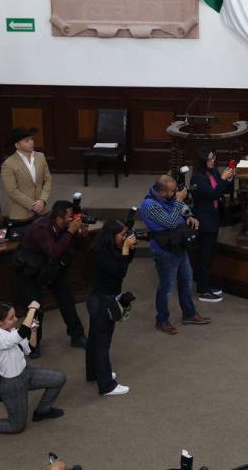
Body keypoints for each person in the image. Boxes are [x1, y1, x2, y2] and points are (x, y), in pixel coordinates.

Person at [0, 300, 67, 433]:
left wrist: (33, 330)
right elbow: (21, 333)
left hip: (26, 373)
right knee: (16, 427)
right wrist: (32, 309)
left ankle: (42, 411)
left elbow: (30, 348)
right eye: (11, 318)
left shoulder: (12, 330)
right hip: (12, 385)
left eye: (15, 316)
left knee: (59, 379)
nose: (15, 320)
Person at [15, 200, 87, 356]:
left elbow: (80, 247)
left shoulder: (66, 226)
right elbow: (53, 252)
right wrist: (70, 232)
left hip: (51, 269)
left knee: (67, 300)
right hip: (30, 270)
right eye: (70, 216)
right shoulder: (41, 227)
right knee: (35, 309)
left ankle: (77, 336)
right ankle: (32, 344)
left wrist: (81, 232)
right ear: (59, 218)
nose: (72, 219)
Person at [140, 174, 210, 333]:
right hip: (164, 252)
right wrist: (179, 200)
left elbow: (182, 210)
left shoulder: (168, 197)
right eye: (173, 191)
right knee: (167, 287)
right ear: (162, 192)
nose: (176, 192)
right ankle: (162, 320)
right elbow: (171, 223)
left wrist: (189, 216)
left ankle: (189, 314)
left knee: (186, 281)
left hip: (179, 246)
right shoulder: (150, 205)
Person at [86, 219, 135, 396]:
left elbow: (126, 261)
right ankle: (106, 385)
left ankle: (94, 373)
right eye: (122, 235)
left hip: (100, 296)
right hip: (102, 300)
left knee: (94, 339)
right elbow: (119, 272)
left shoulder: (108, 247)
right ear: (111, 235)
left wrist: (128, 247)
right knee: (102, 343)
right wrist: (125, 248)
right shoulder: (101, 253)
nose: (124, 237)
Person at [190, 145, 234, 303]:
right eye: (210, 158)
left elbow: (224, 190)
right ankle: (202, 290)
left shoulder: (213, 171)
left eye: (214, 157)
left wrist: (229, 178)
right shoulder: (197, 177)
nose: (213, 160)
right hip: (204, 221)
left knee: (209, 255)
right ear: (202, 160)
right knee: (204, 257)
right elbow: (212, 194)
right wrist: (223, 179)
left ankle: (207, 285)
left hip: (215, 218)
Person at [0, 127, 53, 221]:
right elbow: (12, 191)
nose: (31, 142)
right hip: (21, 214)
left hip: (42, 210)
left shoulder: (40, 157)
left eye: (31, 139)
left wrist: (42, 200)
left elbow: (48, 179)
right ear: (17, 145)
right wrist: (32, 205)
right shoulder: (8, 164)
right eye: (26, 141)